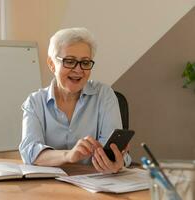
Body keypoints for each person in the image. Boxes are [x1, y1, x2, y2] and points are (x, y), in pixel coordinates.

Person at [19, 27, 131, 173]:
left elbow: (112, 152)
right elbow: (30, 151)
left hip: (95, 183)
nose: (78, 70)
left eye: (85, 63)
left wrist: (117, 161)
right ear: (52, 64)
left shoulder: (104, 95)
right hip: (50, 186)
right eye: (70, 61)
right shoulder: (34, 102)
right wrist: (68, 155)